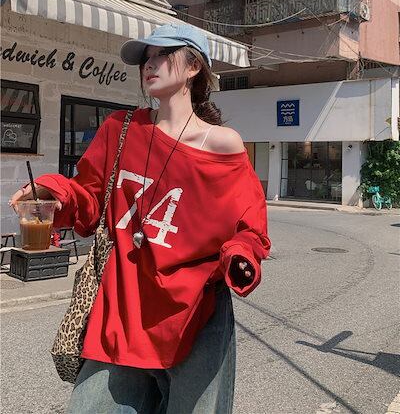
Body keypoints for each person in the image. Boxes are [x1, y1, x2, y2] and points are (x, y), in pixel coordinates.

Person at [10, 24, 270, 414]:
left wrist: (241, 256)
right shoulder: (121, 129)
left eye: (162, 54)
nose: (149, 64)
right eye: (146, 57)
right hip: (122, 308)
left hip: (195, 314)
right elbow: (88, 199)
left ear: (193, 67)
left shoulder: (222, 144)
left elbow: (250, 224)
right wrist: (52, 192)